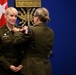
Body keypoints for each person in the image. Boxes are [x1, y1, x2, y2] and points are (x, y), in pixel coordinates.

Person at [13, 7, 54, 75]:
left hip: (32, 68)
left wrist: (17, 32)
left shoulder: (32, 30)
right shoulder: (51, 32)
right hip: (46, 67)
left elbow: (16, 42)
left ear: (37, 18)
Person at [0, 7, 23, 75]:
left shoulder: (21, 30)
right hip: (4, 68)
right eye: (11, 15)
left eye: (15, 16)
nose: (14, 18)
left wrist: (22, 64)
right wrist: (9, 66)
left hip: (19, 68)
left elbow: (26, 50)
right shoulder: (0, 32)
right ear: (5, 16)